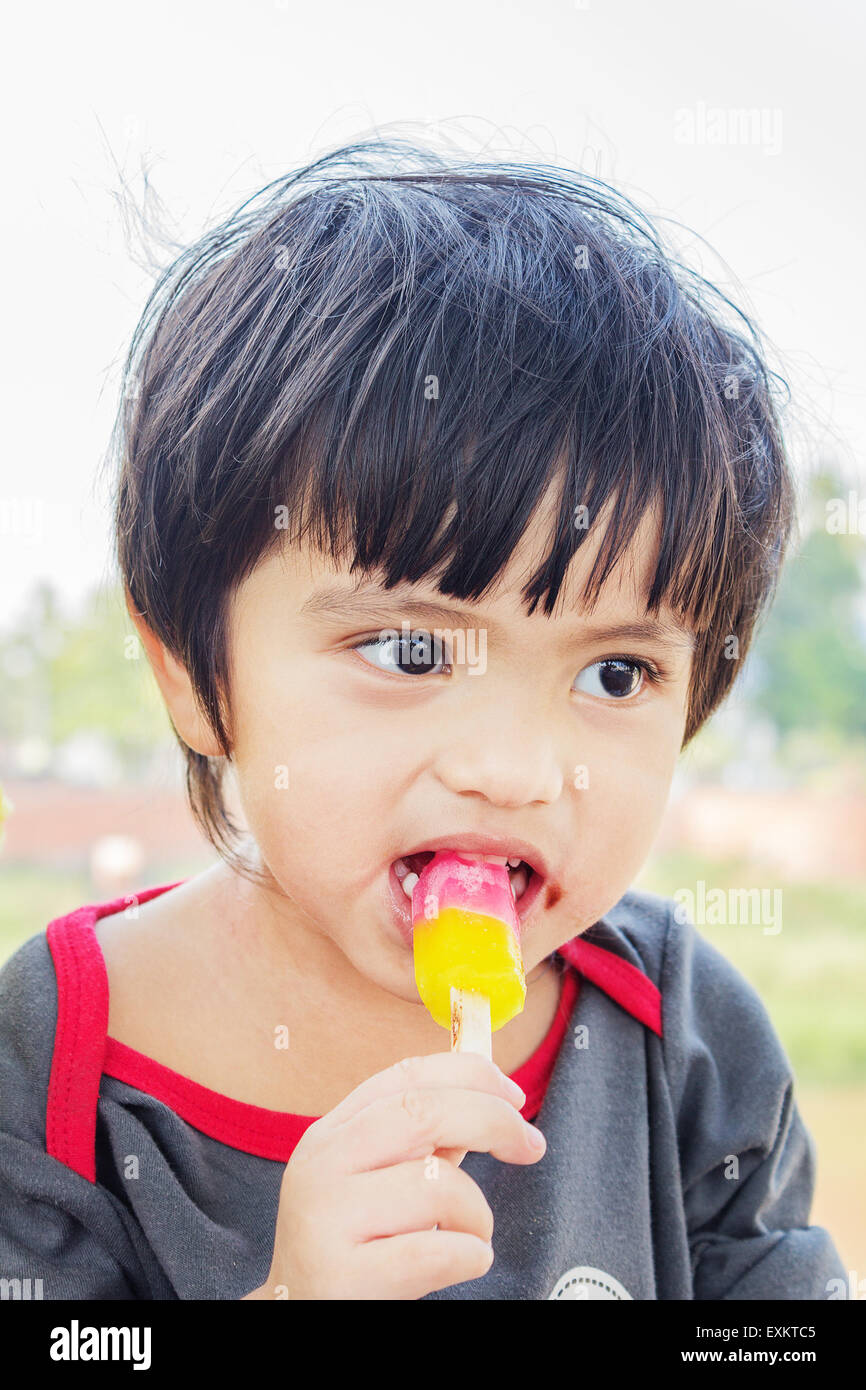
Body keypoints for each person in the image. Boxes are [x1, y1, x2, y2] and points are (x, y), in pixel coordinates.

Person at [0, 138, 848, 1300]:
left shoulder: (678, 1032)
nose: (512, 770)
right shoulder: (56, 1061)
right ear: (195, 675)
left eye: (613, 676)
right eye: (408, 650)